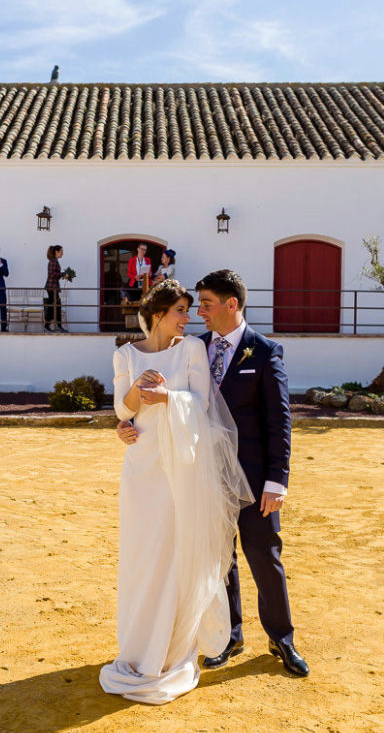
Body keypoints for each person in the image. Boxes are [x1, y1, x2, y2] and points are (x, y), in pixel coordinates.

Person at [117, 269, 309, 679]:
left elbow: (280, 421)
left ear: (231, 304)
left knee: (263, 554)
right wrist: (125, 423)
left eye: (205, 304)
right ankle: (228, 636)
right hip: (200, 473)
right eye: (194, 306)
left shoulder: (264, 352)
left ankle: (282, 637)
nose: (198, 312)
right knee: (216, 560)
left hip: (254, 477)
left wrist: (278, 480)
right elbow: (150, 401)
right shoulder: (192, 347)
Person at [100, 280, 253, 704]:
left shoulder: (190, 350)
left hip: (179, 469)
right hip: (142, 466)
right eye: (180, 311)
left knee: (173, 551)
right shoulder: (124, 354)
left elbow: (201, 403)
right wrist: (138, 391)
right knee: (141, 552)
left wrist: (167, 396)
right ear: (157, 315)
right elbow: (123, 409)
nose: (188, 318)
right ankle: (135, 648)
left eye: (189, 309)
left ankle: (170, 650)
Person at [44, 245, 67, 332]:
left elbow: (53, 274)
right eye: (61, 251)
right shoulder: (53, 261)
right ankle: (52, 326)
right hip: (52, 287)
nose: (62, 253)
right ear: (56, 252)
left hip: (52, 287)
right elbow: (52, 274)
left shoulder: (54, 261)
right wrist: (62, 274)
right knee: (54, 306)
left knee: (55, 306)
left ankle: (54, 325)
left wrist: (62, 274)